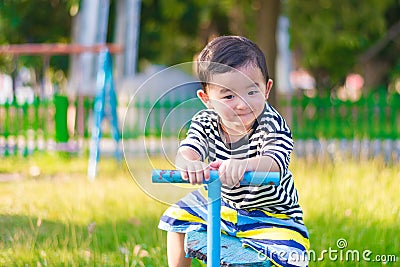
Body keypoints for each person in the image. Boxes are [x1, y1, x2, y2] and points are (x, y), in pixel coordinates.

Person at [158, 36, 310, 267]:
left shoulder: (271, 123)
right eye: (228, 96)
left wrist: (245, 163)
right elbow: (188, 149)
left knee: (289, 255)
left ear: (267, 89)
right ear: (207, 100)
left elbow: (275, 161)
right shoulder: (206, 122)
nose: (242, 104)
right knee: (177, 216)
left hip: (272, 216)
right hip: (223, 207)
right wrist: (189, 164)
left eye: (252, 92)